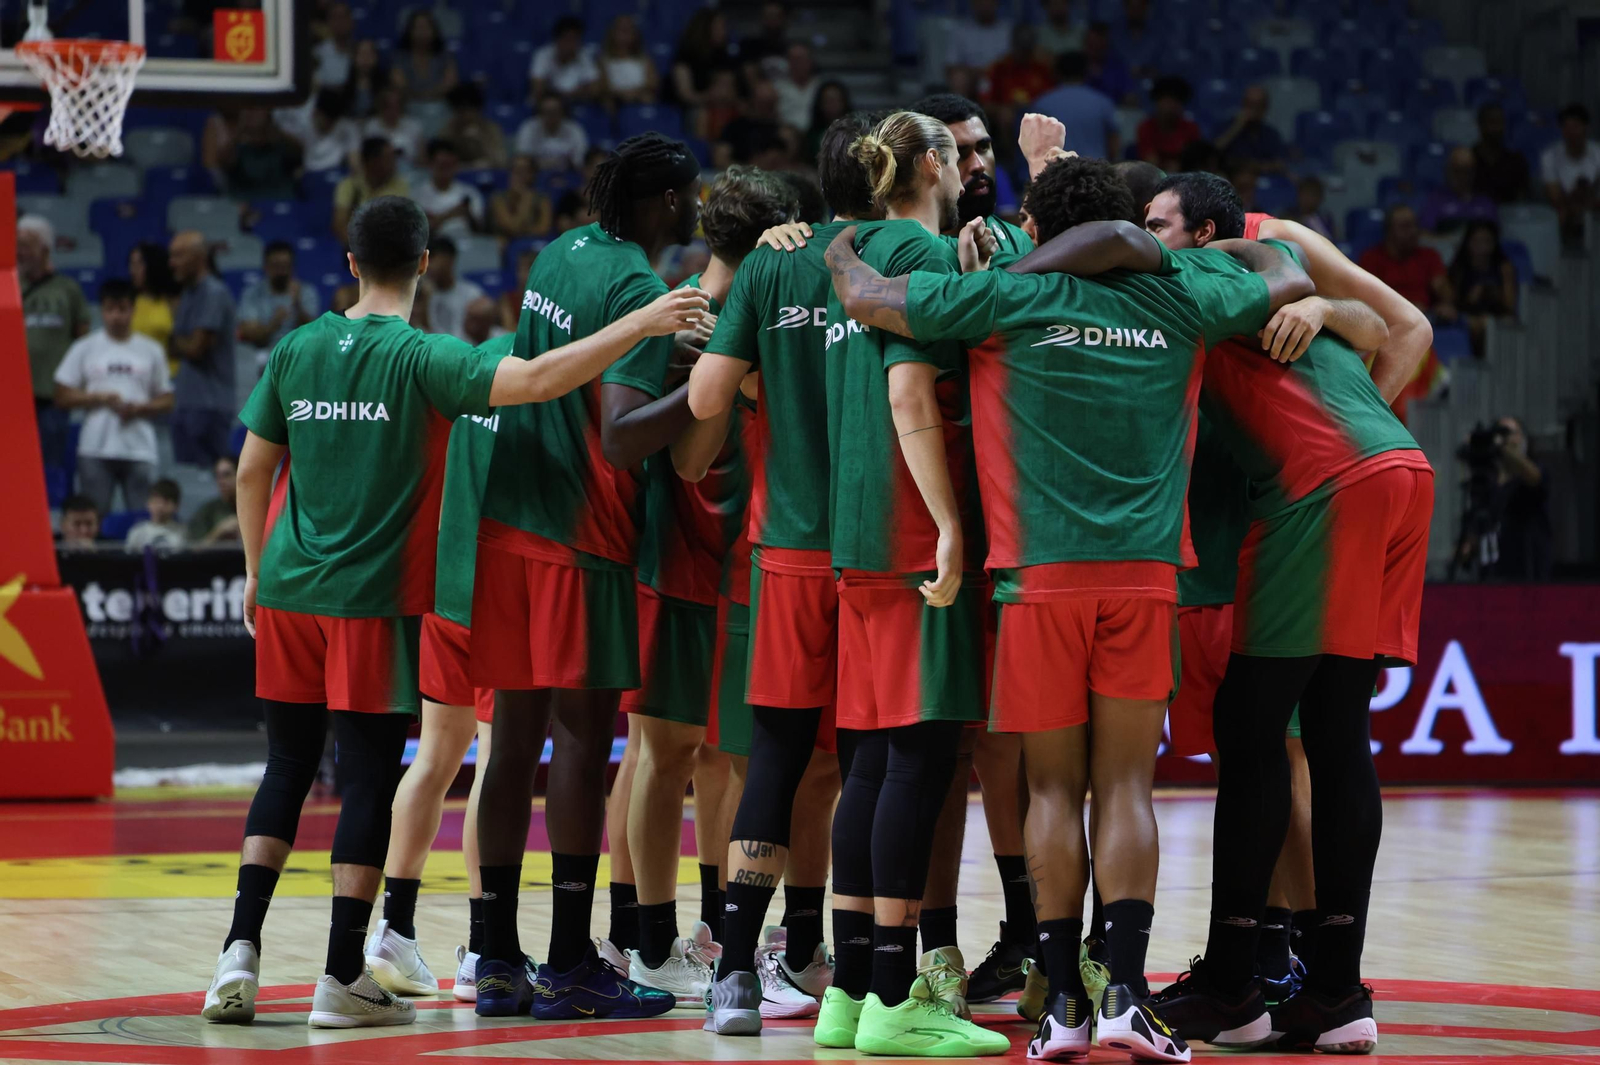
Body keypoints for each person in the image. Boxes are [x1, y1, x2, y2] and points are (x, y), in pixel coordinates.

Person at [824, 155, 1315, 1063]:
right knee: (1126, 786)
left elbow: (865, 295)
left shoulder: (1008, 295)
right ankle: (1124, 988)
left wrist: (842, 237)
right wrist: (1155, 251)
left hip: (1039, 582)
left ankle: (1061, 1010)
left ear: (1042, 234)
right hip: (1145, 579)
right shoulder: (1185, 296)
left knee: (1050, 786)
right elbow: (1285, 272)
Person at [200, 192, 708, 1029]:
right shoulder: (430, 358)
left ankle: (242, 953)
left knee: (293, 770)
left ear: (351, 261)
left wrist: (256, 568)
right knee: (376, 774)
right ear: (427, 263)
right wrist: (646, 323)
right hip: (378, 599)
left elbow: (252, 470)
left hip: (295, 589)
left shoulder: (294, 347)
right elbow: (544, 376)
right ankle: (343, 971)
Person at [1138, 176, 1433, 1058]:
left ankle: (1237, 982)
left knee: (1253, 724)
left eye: (1157, 226)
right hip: (1401, 465)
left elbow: (1392, 327)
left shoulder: (1198, 275)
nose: (1146, 239)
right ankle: (1335, 989)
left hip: (1322, 487)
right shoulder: (1279, 265)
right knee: (1338, 729)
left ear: (1206, 231)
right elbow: (1381, 328)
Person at [467, 134, 709, 1020]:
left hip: (510, 525)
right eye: (690, 196)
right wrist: (710, 386)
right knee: (577, 746)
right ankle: (571, 959)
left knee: (511, 746)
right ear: (670, 202)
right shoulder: (641, 288)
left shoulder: (559, 250)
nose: (695, 208)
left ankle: (493, 955)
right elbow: (618, 432)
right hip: (583, 534)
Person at [687, 111, 890, 1036]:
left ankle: (734, 971)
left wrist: (770, 372)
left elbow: (703, 398)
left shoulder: (770, 265)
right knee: (866, 762)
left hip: (785, 553)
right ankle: (855, 975)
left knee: (772, 757)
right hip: (872, 547)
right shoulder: (903, 257)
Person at [814, 111, 1009, 1059]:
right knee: (916, 761)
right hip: (907, 533)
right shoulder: (918, 261)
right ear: (930, 165)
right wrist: (948, 525)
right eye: (960, 153)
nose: (973, 167)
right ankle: (896, 992)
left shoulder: (863, 250)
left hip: (852, 532)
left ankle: (849, 989)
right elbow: (907, 395)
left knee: (871, 763)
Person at [616, 165, 798, 1009]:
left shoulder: (739, 309)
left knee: (726, 761)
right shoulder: (680, 316)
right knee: (664, 756)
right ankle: (650, 937)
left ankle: (714, 929)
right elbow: (684, 458)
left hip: (740, 564)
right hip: (675, 559)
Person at [362, 332, 510, 1001]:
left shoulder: (456, 372)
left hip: (440, 590)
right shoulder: (547, 374)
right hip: (500, 594)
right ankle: (483, 946)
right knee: (493, 758)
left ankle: (393, 928)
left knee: (435, 757)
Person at [51, 278, 173, 515]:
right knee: (92, 519)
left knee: (143, 520)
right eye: (110, 309)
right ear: (102, 310)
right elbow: (61, 395)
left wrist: (139, 408)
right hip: (95, 448)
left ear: (132, 309)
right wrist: (99, 398)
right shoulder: (85, 347)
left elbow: (167, 399)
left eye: (123, 309)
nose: (116, 316)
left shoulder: (151, 350)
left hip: (139, 448)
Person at [18, 214, 90, 467]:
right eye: (17, 245)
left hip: (52, 397)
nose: (19, 252)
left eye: (26, 245)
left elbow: (83, 337)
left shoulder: (67, 289)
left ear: (45, 249)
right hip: (13, 398)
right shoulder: (8, 286)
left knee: (49, 467)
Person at [169, 230, 238, 467]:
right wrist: (180, 343)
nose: (172, 263)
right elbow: (178, 344)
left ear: (199, 257)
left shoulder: (214, 293)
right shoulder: (188, 294)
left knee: (210, 483)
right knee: (188, 482)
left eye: (178, 256)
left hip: (210, 406)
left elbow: (195, 348)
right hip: (187, 402)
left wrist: (178, 342)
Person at [1358, 205, 1456, 320]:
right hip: (1387, 320)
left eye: (1415, 225)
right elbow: (1366, 299)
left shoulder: (1429, 255)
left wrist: (1446, 303)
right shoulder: (1371, 258)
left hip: (1425, 318)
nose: (1413, 231)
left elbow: (1442, 287)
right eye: (1405, 226)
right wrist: (1407, 309)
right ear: (1389, 231)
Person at [1486, 416, 1553, 580]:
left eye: (1512, 433)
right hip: (1494, 567)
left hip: (1529, 565)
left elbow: (1535, 478)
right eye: (1502, 433)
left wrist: (1505, 450)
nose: (1508, 439)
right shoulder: (1489, 477)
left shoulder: (1536, 469)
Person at [1449, 220, 1519, 357]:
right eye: (1477, 241)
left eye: (1487, 241)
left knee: (1489, 324)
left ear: (1494, 244)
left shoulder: (1504, 268)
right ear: (1468, 243)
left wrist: (1492, 294)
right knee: (1473, 324)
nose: (1482, 247)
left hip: (1497, 316)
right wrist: (1470, 299)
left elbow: (1510, 306)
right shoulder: (1459, 268)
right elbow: (1453, 301)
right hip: (1467, 314)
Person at [1032, 53, 1119, 160]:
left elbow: (1035, 147)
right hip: (1095, 171)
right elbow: (1114, 142)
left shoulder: (1042, 104)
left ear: (1057, 73)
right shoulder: (1102, 102)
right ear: (1086, 72)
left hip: (1056, 172)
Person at [239, 242, 321, 353]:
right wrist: (274, 323)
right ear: (266, 267)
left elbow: (314, 333)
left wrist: (298, 306)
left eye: (286, 266)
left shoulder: (306, 292)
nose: (282, 271)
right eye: (276, 266)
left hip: (299, 352)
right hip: (262, 353)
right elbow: (250, 333)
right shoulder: (252, 294)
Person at [1542, 103, 1600, 248]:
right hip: (1566, 211)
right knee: (1560, 214)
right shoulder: (1549, 157)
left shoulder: (1598, 154)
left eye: (1575, 126)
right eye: (1566, 127)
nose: (1571, 132)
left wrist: (1588, 197)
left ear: (1585, 127)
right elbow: (1555, 198)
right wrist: (1577, 196)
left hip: (1594, 209)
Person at [334, 138, 410, 244]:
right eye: (388, 159)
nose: (394, 163)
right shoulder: (349, 186)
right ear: (372, 161)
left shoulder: (400, 185)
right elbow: (339, 224)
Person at [667, 9, 739, 114]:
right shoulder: (685, 56)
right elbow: (686, 95)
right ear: (705, 29)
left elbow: (729, 91)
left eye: (724, 27)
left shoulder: (724, 56)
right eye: (719, 27)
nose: (724, 32)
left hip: (721, 109)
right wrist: (710, 97)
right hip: (689, 111)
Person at [220, 109, 303, 200]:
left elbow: (299, 152)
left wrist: (273, 127)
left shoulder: (281, 143)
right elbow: (223, 161)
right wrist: (241, 128)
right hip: (246, 201)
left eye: (258, 110)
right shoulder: (238, 148)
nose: (253, 114)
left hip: (278, 200)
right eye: (250, 110)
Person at [414, 237, 485, 341]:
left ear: (449, 258)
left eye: (432, 258)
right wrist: (426, 302)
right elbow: (427, 336)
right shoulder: (423, 296)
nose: (428, 265)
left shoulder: (471, 293)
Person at [412, 139, 484, 240]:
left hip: (466, 243)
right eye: (442, 166)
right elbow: (419, 231)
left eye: (450, 165)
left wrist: (468, 214)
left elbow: (479, 230)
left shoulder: (470, 193)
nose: (446, 171)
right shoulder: (418, 195)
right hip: (432, 245)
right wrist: (452, 214)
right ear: (431, 165)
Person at [278, 89, 361, 173]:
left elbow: (354, 160)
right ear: (316, 112)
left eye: (333, 122)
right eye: (327, 120)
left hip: (336, 171)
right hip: (311, 171)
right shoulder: (303, 124)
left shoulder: (347, 128)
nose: (330, 125)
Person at [1420, 147, 1497, 234]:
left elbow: (1493, 237)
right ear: (1448, 170)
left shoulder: (1486, 203)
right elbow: (1425, 234)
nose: (1461, 176)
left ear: (1474, 172)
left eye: (1466, 170)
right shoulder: (1434, 201)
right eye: (1456, 170)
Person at [129, 242, 179, 369]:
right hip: (135, 375)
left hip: (169, 375)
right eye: (131, 264)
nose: (132, 270)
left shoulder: (172, 301)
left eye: (139, 264)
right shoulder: (128, 301)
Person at [531, 15, 601, 104]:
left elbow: (595, 89)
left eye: (575, 39)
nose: (570, 44)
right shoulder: (543, 55)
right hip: (547, 105)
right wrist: (576, 92)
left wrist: (562, 94)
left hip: (574, 105)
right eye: (567, 39)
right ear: (557, 39)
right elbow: (538, 89)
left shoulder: (584, 55)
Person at [1215, 85, 1286, 171]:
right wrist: (1236, 127)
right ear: (1243, 104)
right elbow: (1213, 153)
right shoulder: (1226, 127)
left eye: (1258, 105)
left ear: (1265, 107)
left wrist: (1255, 167)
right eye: (1250, 104)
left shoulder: (1272, 134)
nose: (1253, 110)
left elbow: (1279, 164)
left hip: (1262, 179)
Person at [393, 10, 457, 105]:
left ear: (434, 31)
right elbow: (399, 83)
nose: (422, 32)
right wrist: (418, 96)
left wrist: (429, 96)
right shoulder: (400, 57)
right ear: (410, 31)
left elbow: (450, 82)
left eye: (426, 28)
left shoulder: (444, 56)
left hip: (439, 104)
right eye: (418, 28)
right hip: (407, 104)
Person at [945, 0, 1013, 87]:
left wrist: (992, 72)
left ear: (997, 3)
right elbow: (951, 65)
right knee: (958, 77)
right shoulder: (960, 30)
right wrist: (975, 73)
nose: (984, 6)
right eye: (980, 2)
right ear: (972, 4)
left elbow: (1015, 62)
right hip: (971, 78)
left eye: (988, 2)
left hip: (1000, 77)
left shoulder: (1008, 31)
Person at [1137, 78, 1200, 172]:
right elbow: (1150, 162)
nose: (1171, 106)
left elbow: (1195, 161)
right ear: (1157, 102)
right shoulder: (1146, 127)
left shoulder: (1191, 128)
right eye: (1167, 101)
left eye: (1176, 101)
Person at [1472, 103, 1529, 205]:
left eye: (1500, 122)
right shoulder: (1469, 159)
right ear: (1480, 125)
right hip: (1475, 215)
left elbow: (1523, 198)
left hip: (1509, 217)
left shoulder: (1516, 160)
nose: (1498, 128)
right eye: (1492, 122)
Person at [516, 95, 590, 172]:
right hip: (536, 175)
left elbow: (581, 160)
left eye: (555, 112)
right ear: (540, 113)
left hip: (569, 174)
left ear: (562, 112)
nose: (551, 116)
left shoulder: (574, 129)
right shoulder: (529, 128)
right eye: (547, 112)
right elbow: (523, 159)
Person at [719, 80, 785, 166]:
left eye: (770, 102)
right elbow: (720, 159)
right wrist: (749, 170)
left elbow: (786, 164)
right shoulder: (734, 127)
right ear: (753, 100)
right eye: (762, 102)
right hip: (741, 176)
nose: (766, 107)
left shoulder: (782, 131)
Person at [491, 155, 553, 244]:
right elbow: (511, 227)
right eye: (515, 170)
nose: (518, 175)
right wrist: (525, 201)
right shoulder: (498, 198)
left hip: (532, 244)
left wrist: (521, 231)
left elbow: (543, 229)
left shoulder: (542, 199)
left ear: (532, 174)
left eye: (523, 170)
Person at [600, 15, 659, 107]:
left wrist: (635, 93)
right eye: (621, 29)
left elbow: (652, 84)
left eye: (628, 30)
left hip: (639, 99)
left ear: (635, 34)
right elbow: (602, 86)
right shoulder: (604, 61)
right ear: (612, 32)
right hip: (615, 101)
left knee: (648, 98)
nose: (625, 34)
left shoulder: (644, 60)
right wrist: (621, 94)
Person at [445, 82, 508, 169]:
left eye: (467, 110)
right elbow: (442, 164)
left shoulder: (491, 129)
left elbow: (501, 161)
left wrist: (480, 139)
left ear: (477, 110)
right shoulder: (449, 130)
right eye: (460, 111)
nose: (464, 116)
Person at [188, 454, 242, 544]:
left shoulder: (255, 509)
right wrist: (219, 531)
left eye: (227, 475)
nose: (221, 482)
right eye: (218, 476)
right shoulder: (207, 511)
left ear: (239, 474)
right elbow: (194, 551)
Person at [362, 87, 425, 163]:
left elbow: (422, 158)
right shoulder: (371, 127)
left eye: (396, 106)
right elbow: (367, 158)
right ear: (381, 107)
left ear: (401, 107)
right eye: (388, 106)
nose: (393, 111)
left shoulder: (414, 126)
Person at [1082, 21, 1136, 106]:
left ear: (1106, 45)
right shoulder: (1078, 66)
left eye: (1099, 46)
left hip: (1113, 112)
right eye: (1091, 45)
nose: (1095, 50)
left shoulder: (1118, 66)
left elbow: (1129, 96)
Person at [126, 479, 187, 552]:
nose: (160, 507)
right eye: (156, 502)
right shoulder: (137, 532)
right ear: (148, 503)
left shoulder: (182, 533)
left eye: (166, 502)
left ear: (176, 506)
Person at [775, 43, 821, 131]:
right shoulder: (777, 88)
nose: (798, 63)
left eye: (801, 59)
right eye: (794, 59)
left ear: (810, 61)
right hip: (786, 135)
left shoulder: (821, 86)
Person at [804, 81, 853, 162]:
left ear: (844, 102)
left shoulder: (856, 132)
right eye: (828, 100)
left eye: (836, 100)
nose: (832, 105)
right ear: (820, 104)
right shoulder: (811, 135)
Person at [342, 39, 390, 120]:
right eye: (362, 54)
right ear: (354, 57)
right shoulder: (345, 86)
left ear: (376, 57)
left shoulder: (385, 86)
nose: (365, 59)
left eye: (369, 54)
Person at [313, 1, 354, 87]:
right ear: (329, 22)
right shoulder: (318, 53)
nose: (340, 22)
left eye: (344, 17)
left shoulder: (359, 52)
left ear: (351, 20)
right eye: (336, 17)